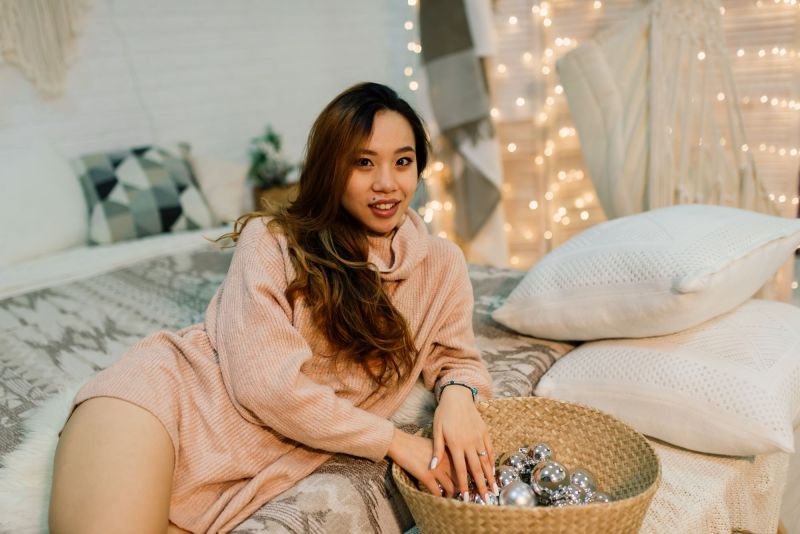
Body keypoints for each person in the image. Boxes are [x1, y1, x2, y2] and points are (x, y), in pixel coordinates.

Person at [49, 82, 496, 534]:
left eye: (403, 161)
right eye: (363, 162)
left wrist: (459, 398)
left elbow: (455, 356)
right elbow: (267, 386)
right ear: (330, 169)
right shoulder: (272, 239)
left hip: (247, 466)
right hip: (162, 404)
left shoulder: (441, 264)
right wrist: (394, 441)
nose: (387, 183)